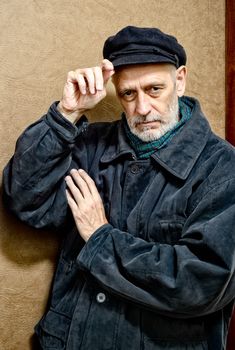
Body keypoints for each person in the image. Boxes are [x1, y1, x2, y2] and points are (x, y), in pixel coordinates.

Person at [2, 25, 235, 350]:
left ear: (180, 80)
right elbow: (26, 201)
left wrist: (100, 237)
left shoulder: (223, 167)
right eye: (128, 93)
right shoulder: (91, 145)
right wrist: (67, 114)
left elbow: (202, 283)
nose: (142, 108)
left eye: (155, 89)